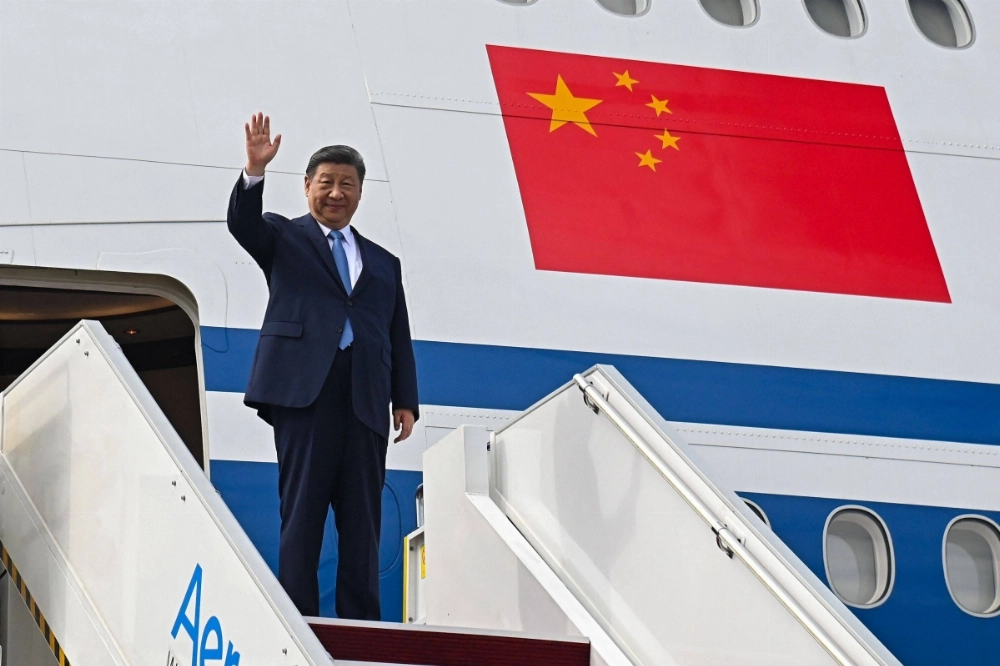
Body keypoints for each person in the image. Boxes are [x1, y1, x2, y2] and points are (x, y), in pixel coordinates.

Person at [227, 112, 419, 620]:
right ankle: (299, 621)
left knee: (363, 522)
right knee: (303, 516)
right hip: (303, 394)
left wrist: (405, 399)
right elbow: (242, 224)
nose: (336, 193)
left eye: (348, 185)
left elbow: (395, 331)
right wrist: (253, 171)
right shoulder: (284, 238)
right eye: (326, 183)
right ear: (307, 185)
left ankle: (361, 626)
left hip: (365, 399)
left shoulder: (383, 262)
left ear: (360, 194)